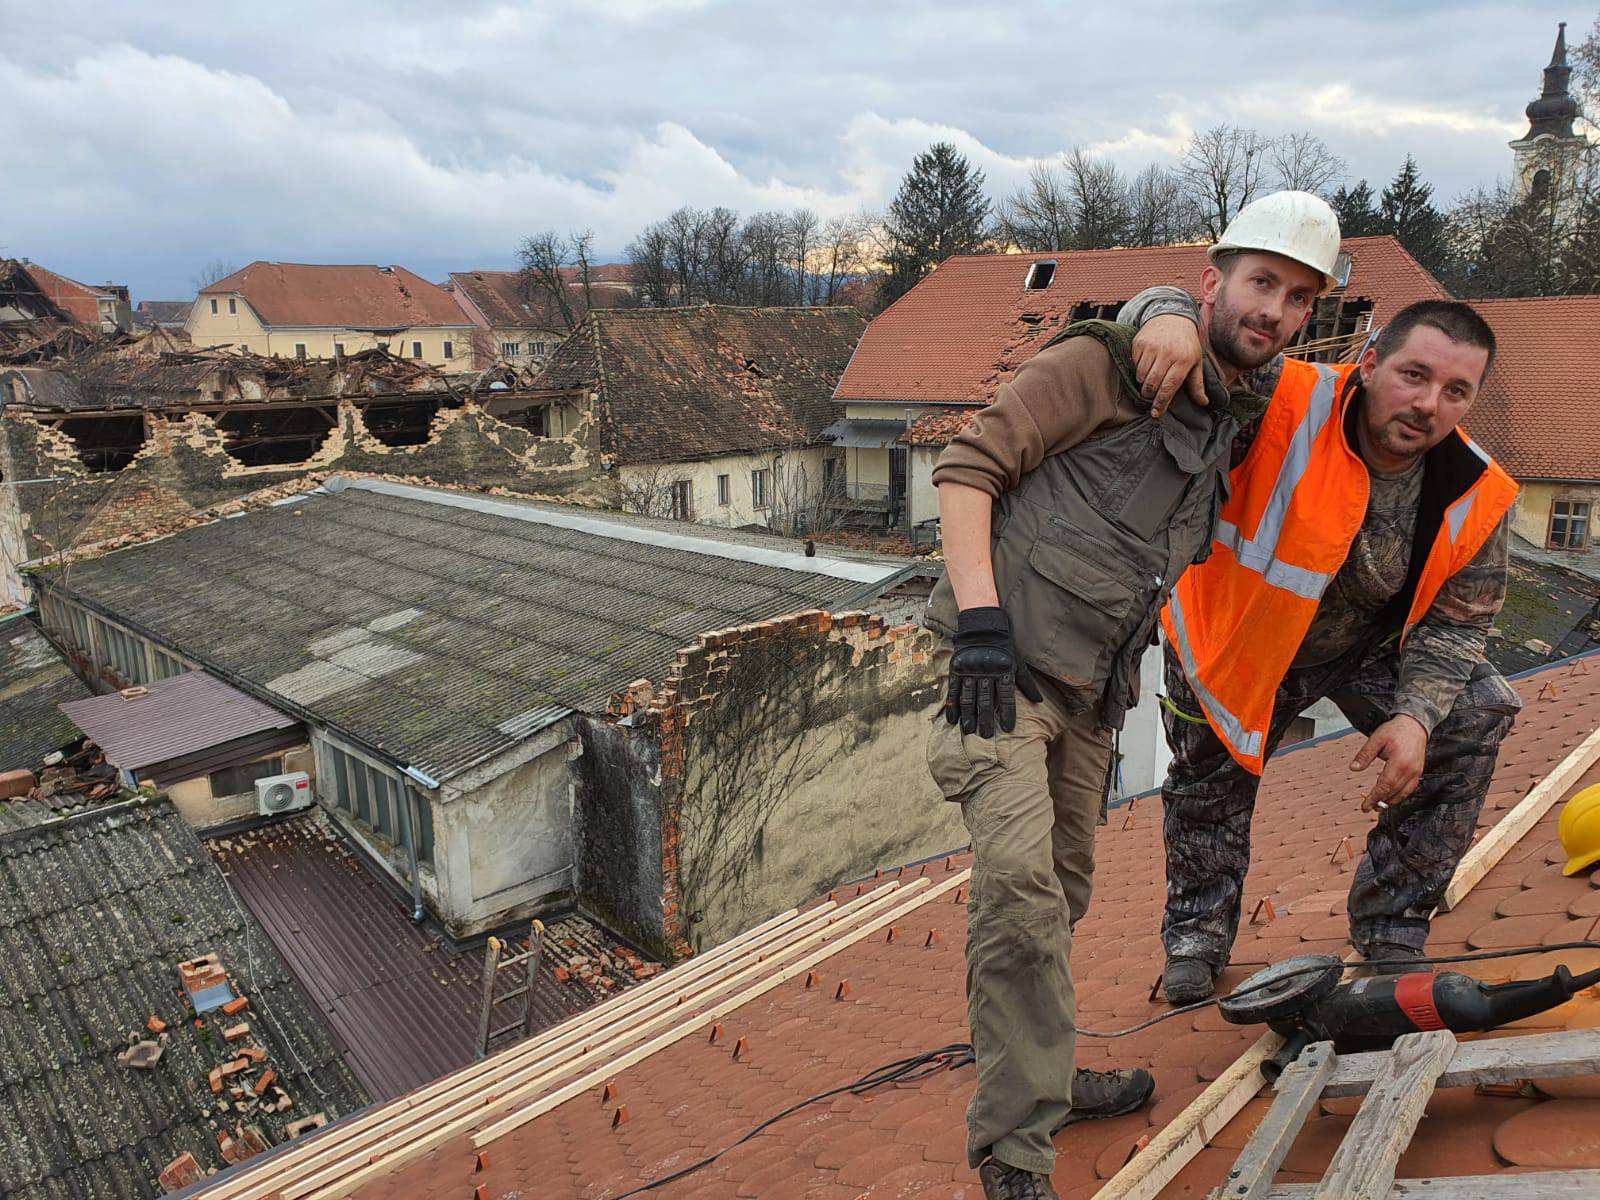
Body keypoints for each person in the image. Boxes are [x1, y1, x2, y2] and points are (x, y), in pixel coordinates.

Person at [923, 191, 1341, 1200]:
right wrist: (978, 626)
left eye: (1296, 297)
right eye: (1259, 283)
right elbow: (966, 469)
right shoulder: (1105, 367)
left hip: (1089, 700)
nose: (1273, 310)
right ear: (1214, 283)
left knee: (1060, 897)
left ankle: (1046, 1075)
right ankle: (1013, 1148)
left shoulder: (1234, 418)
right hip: (1000, 678)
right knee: (1021, 892)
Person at [1123, 294, 1521, 1005]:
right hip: (1235, 634)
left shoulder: (1477, 493)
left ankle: (1393, 921)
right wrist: (1166, 317)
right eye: (1413, 375)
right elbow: (1196, 317)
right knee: (1206, 788)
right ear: (1368, 364)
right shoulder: (1285, 397)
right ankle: (1196, 937)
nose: (1428, 403)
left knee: (1477, 710)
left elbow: (1459, 623)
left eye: (1455, 390)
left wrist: (1416, 717)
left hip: (1362, 641)